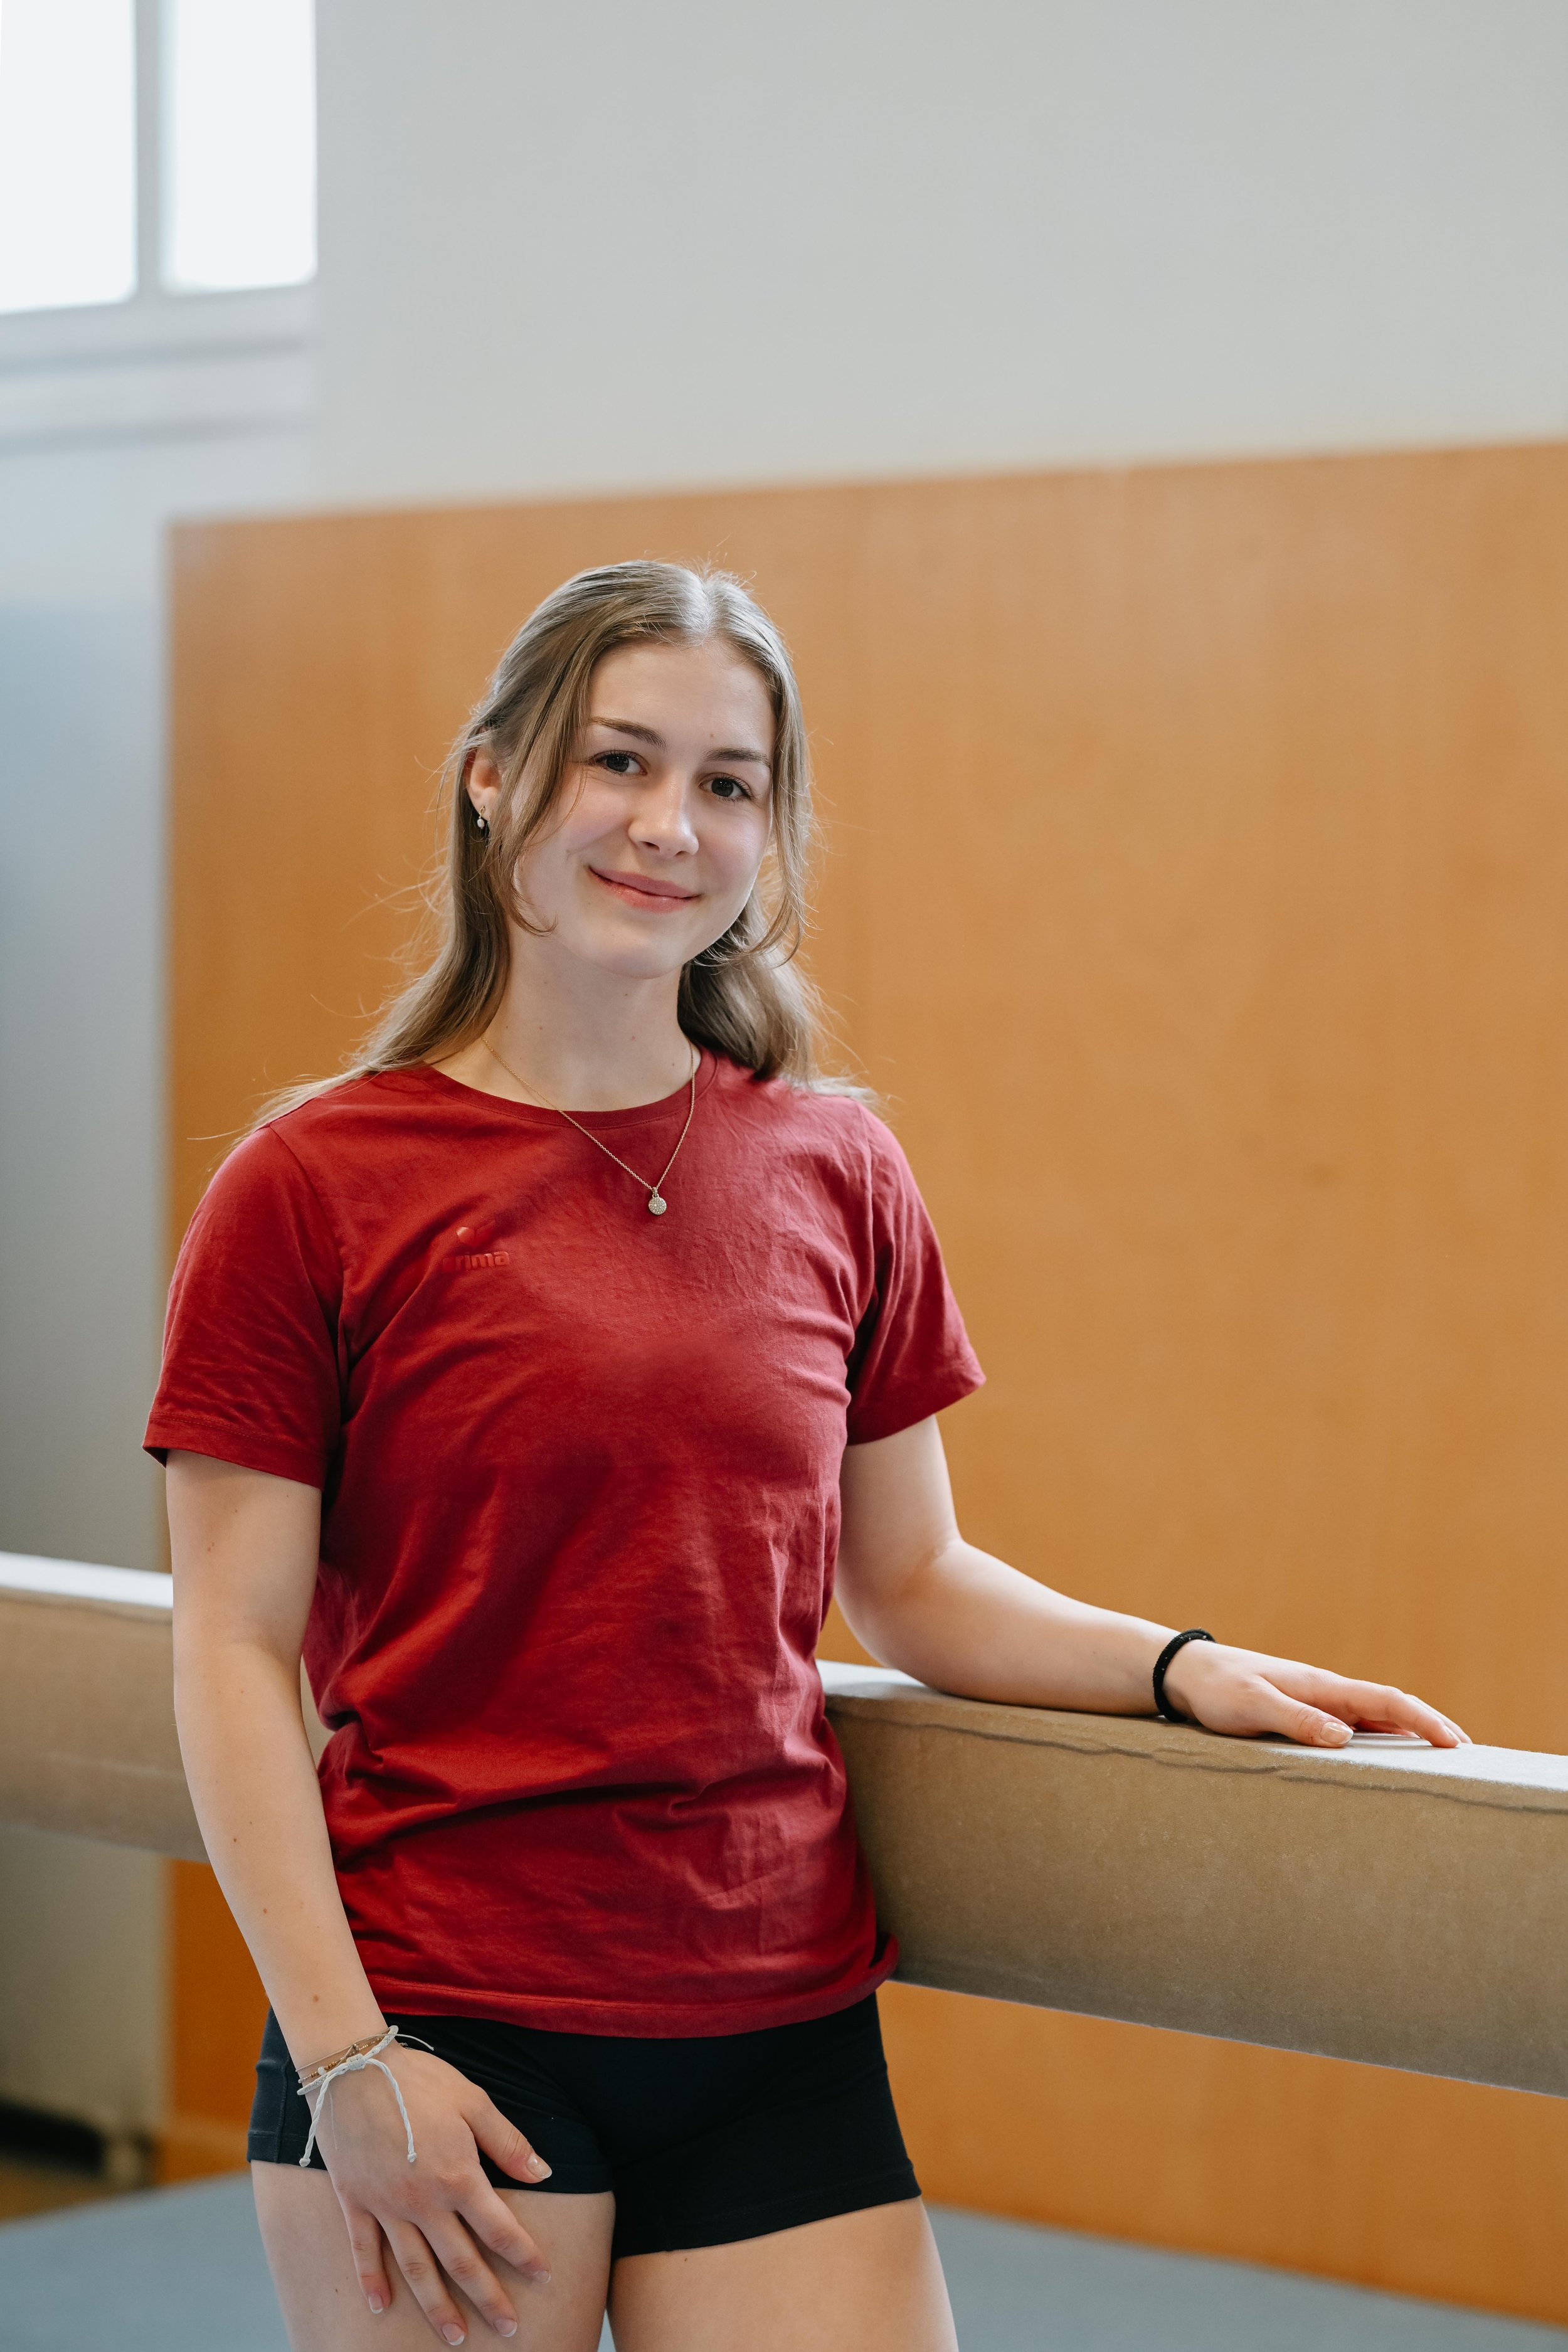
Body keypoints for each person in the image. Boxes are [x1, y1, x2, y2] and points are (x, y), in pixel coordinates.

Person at [149, 561, 1467, 2352]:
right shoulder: (311, 1185)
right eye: (616, 760)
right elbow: (229, 1644)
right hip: (441, 2015)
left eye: (726, 782)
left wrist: (1180, 1668)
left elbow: (908, 1580)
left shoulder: (833, 1166)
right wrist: (346, 2056)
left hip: (772, 2017)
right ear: (490, 775)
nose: (664, 825)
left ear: (770, 830)